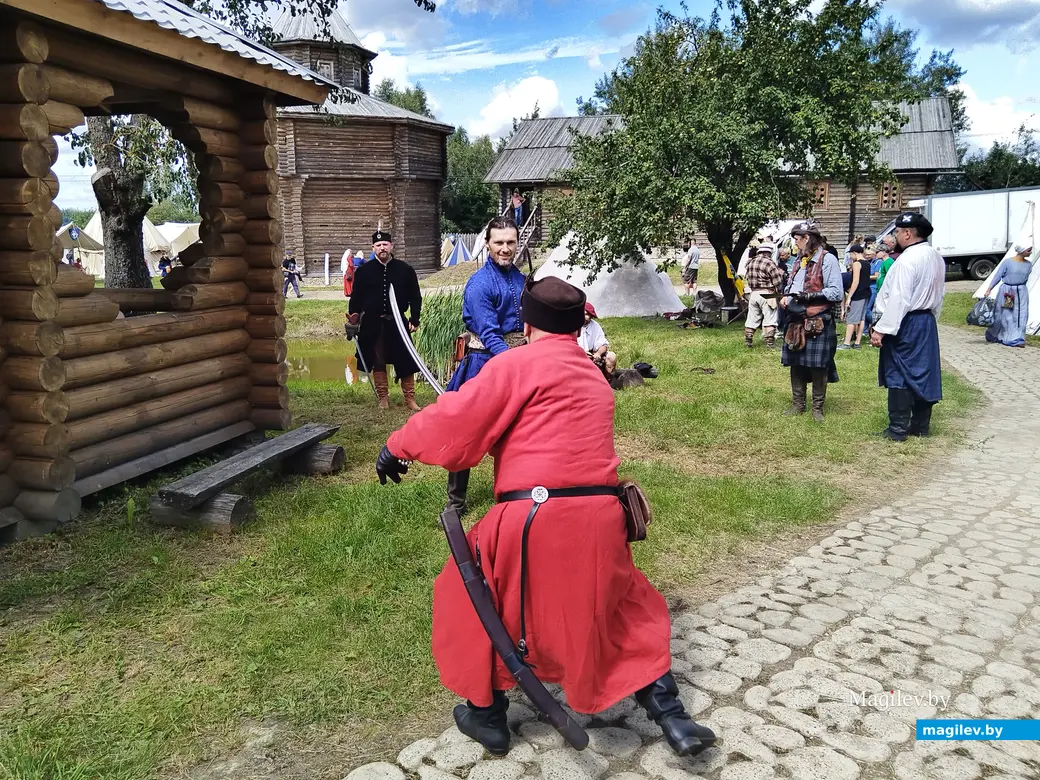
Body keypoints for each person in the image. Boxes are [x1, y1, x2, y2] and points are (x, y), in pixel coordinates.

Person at [374, 275, 717, 759]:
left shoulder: (516, 364)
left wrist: (396, 446)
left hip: (533, 514)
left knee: (474, 594)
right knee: (621, 606)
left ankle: (487, 715)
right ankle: (673, 716)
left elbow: (458, 422)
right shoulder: (592, 375)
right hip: (600, 516)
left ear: (527, 322)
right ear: (578, 326)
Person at [444, 216, 527, 515]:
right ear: (488, 245)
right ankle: (455, 503)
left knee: (515, 431)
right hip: (484, 363)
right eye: (499, 243)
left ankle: (511, 492)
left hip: (514, 361)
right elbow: (489, 334)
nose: (505, 248)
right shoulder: (479, 284)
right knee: (468, 432)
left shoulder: (520, 279)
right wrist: (515, 362)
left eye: (510, 242)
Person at [871, 212, 945, 441]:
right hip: (926, 320)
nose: (896, 236)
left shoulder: (907, 260)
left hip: (906, 321)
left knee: (899, 373)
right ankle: (920, 426)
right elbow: (940, 294)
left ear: (907, 233)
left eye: (897, 232)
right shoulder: (936, 257)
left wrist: (881, 329)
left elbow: (899, 299)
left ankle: (898, 429)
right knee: (924, 371)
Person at [347, 228, 423, 411]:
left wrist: (414, 318)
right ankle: (383, 398)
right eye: (378, 245)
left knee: (405, 359)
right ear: (373, 248)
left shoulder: (405, 270)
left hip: (397, 322)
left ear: (391, 246)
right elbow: (356, 297)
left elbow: (415, 296)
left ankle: (409, 399)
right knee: (377, 359)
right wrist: (354, 318)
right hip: (373, 323)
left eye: (385, 244)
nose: (382, 248)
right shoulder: (364, 271)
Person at [780, 223, 843, 421]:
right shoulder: (800, 260)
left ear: (807, 238)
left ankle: (817, 409)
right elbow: (794, 285)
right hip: (795, 318)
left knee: (818, 366)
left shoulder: (828, 259)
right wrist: (786, 296)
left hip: (817, 320)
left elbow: (836, 292)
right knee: (796, 363)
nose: (795, 243)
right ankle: (798, 405)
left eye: (797, 239)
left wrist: (809, 296)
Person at [984, 245, 1033, 348]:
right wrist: (989, 288)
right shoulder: (1008, 262)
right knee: (1007, 314)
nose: (1030, 252)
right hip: (1009, 292)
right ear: (1022, 250)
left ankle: (1018, 338)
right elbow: (998, 275)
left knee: (1021, 314)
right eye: (1028, 250)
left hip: (1022, 292)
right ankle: (1005, 336)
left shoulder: (1028, 264)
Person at [743, 244, 784, 348]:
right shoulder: (769, 263)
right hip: (767, 293)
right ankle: (770, 343)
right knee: (770, 318)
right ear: (769, 253)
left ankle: (748, 340)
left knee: (752, 318)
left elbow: (747, 278)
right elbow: (778, 282)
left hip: (754, 293)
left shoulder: (750, 262)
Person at [838, 245, 871, 350]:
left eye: (850, 254)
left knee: (851, 319)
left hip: (858, 294)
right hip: (866, 292)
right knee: (861, 318)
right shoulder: (867, 263)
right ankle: (857, 342)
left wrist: (849, 297)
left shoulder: (857, 264)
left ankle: (846, 343)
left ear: (854, 253)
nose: (850, 257)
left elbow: (855, 281)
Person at [578, 301, 617, 375]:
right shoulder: (571, 324)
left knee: (611, 357)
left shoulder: (595, 326)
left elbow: (603, 345)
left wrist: (598, 353)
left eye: (588, 315)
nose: (585, 317)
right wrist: (581, 353)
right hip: (575, 355)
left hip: (591, 355)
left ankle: (608, 381)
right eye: (583, 314)